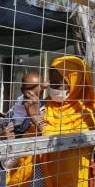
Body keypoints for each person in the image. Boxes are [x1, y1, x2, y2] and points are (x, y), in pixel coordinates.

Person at [7, 56, 95, 187]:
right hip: (37, 176)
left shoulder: (88, 113)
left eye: (57, 83)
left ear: (75, 82)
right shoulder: (46, 103)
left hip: (69, 179)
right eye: (50, 82)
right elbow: (29, 137)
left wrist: (38, 119)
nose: (51, 87)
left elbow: (65, 142)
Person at [0, 73, 47, 187]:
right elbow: (0, 137)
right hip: (15, 170)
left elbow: (50, 135)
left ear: (41, 88)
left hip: (37, 170)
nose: (29, 92)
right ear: (21, 89)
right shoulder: (13, 111)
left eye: (33, 87)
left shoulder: (49, 110)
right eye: (26, 88)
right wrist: (4, 135)